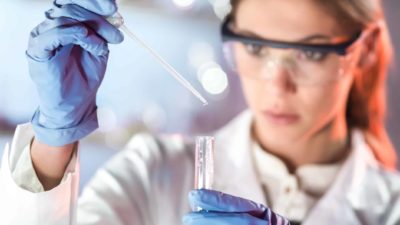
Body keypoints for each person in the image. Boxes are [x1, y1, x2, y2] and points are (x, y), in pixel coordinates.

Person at [1, 0, 399, 224]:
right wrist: (54, 138)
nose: (277, 86)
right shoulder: (153, 170)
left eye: (311, 52)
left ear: (362, 52)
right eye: (256, 47)